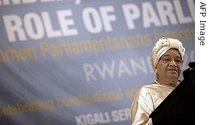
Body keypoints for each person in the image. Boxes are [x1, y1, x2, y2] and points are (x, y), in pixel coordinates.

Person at [130, 37, 185, 125]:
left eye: (178, 60)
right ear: (156, 65)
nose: (173, 64)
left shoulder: (189, 88)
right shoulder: (146, 93)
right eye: (166, 59)